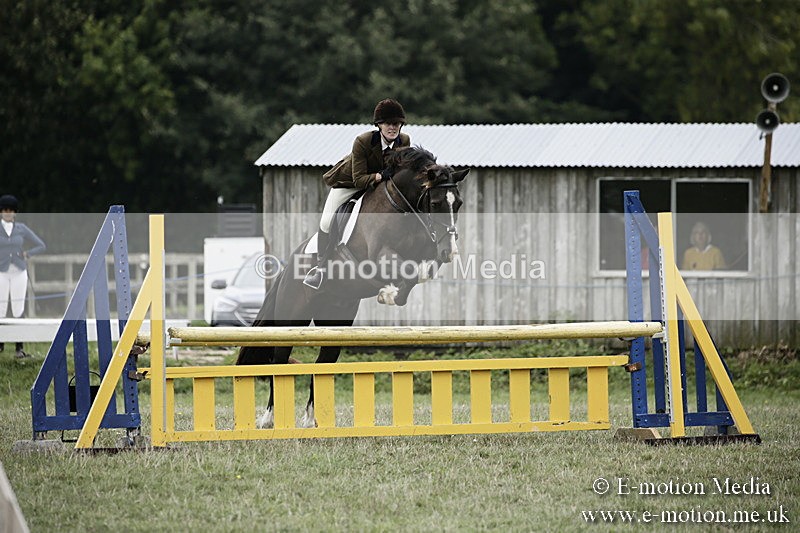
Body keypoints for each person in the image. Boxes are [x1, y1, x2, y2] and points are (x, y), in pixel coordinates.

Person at [304, 98, 411, 289]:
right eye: (388, 123)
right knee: (327, 221)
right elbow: (359, 179)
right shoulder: (363, 141)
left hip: (380, 186)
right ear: (379, 125)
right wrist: (379, 176)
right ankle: (320, 268)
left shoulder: (404, 141)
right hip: (349, 183)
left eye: (396, 124)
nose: (392, 128)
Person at [0, 194, 46, 358]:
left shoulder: (21, 228)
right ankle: (1, 344)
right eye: (5, 210)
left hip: (19, 271)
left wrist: (28, 253)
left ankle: (19, 347)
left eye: (10, 210)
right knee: (1, 308)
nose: (7, 213)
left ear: (14, 212)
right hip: (1, 272)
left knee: (18, 308)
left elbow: (41, 245)